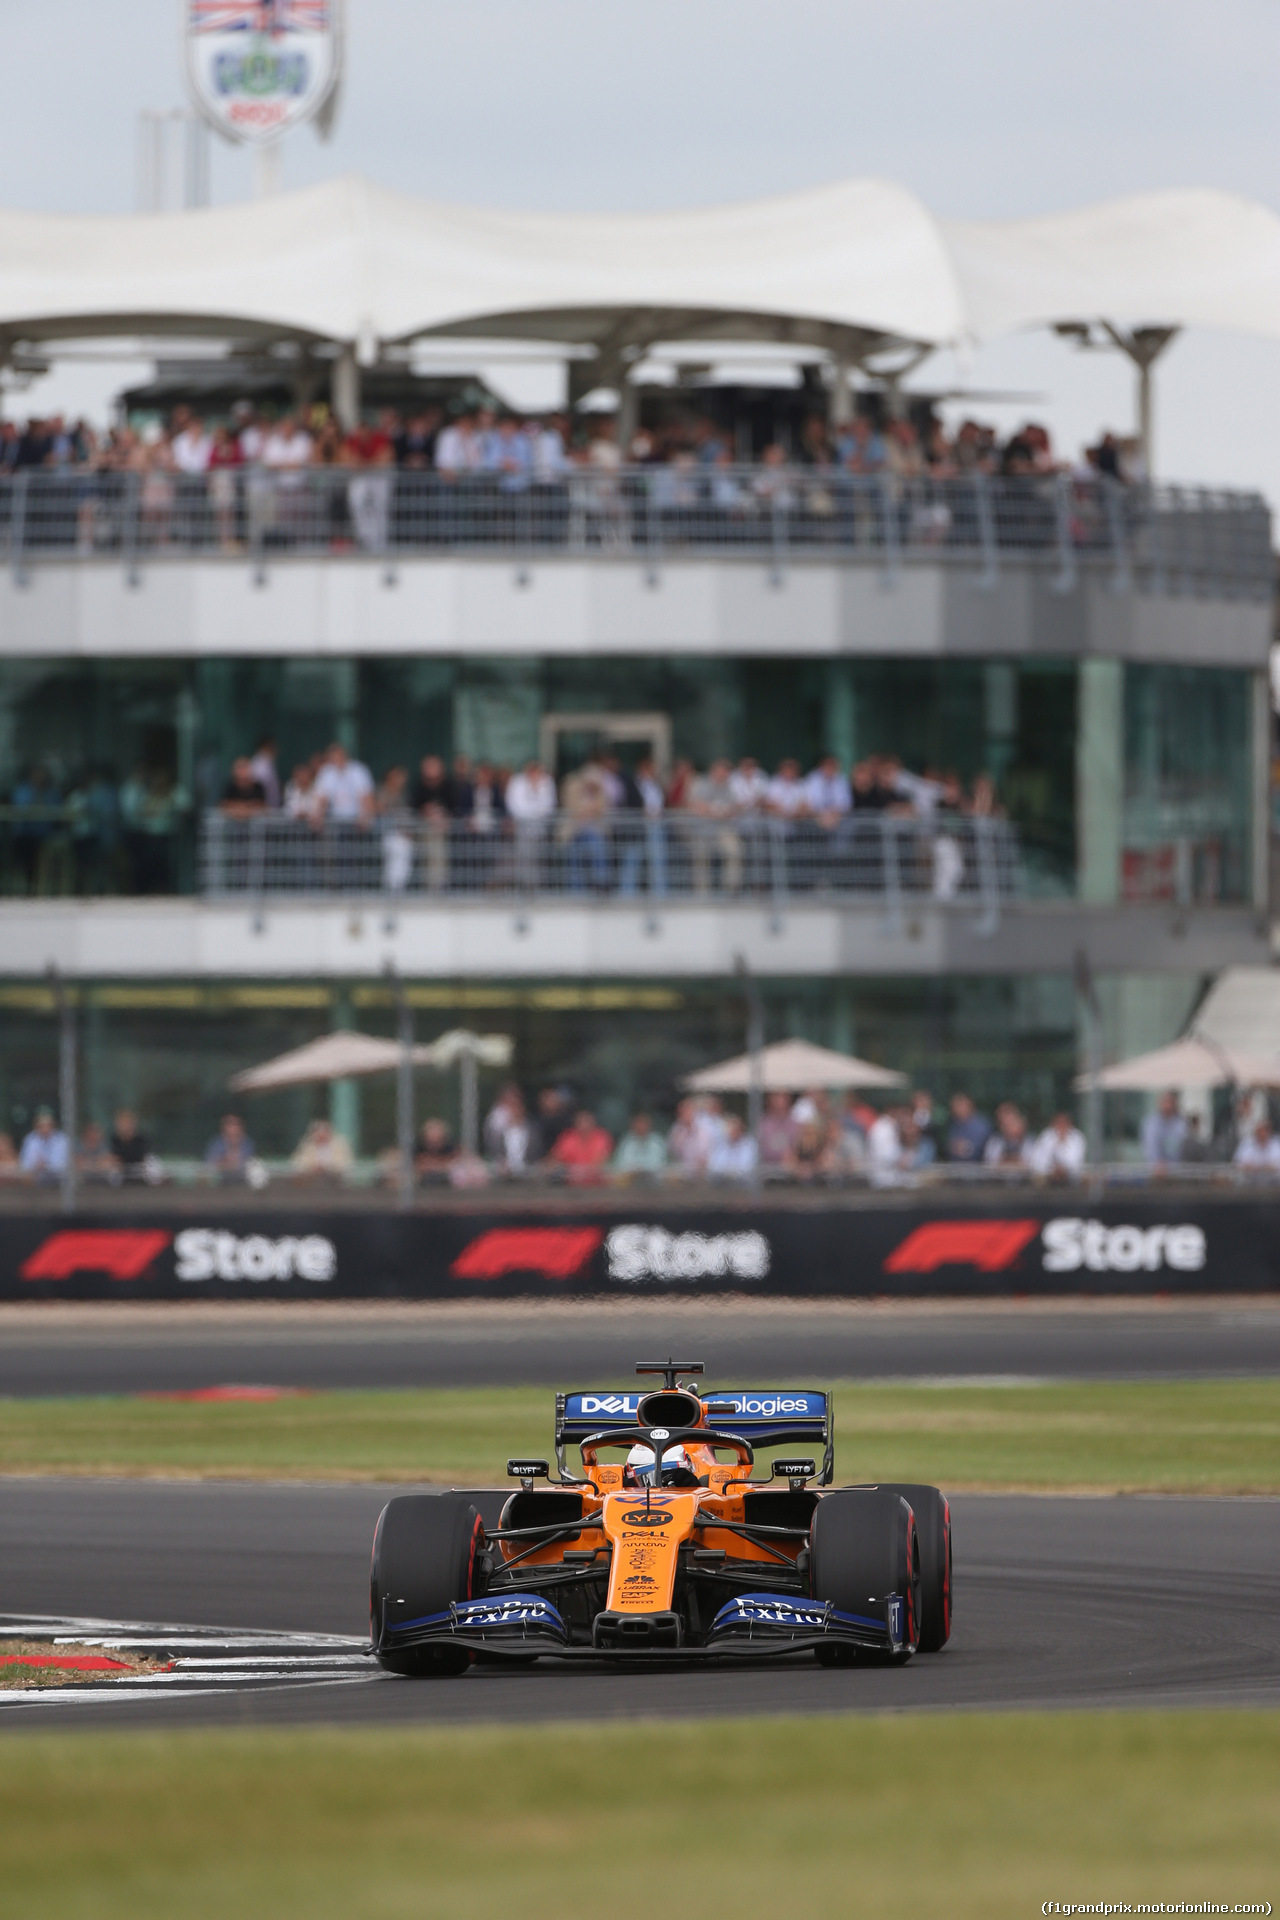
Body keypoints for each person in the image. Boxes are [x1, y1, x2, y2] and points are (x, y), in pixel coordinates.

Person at [549, 1110, 613, 1184]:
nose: (584, 1125)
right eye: (581, 1122)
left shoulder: (602, 1137)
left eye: (587, 1121)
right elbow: (554, 1159)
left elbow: (600, 1161)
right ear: (575, 1123)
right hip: (570, 1185)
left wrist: (581, 1172)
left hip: (597, 1186)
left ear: (593, 1123)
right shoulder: (568, 1138)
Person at [289, 1119, 353, 1185]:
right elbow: (298, 1164)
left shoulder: (339, 1145)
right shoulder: (307, 1146)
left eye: (324, 1132)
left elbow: (344, 1164)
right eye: (318, 1132)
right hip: (312, 1183)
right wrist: (313, 1167)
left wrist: (328, 1167)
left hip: (335, 1183)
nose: (321, 1135)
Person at [1030, 1112, 1087, 1182]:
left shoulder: (1077, 1137)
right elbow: (1039, 1160)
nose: (1061, 1125)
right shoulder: (1046, 1136)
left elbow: (1076, 1161)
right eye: (1059, 1122)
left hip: (1071, 1177)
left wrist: (1064, 1168)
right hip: (1049, 1176)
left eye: (1064, 1123)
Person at [19, 1108, 69, 1184]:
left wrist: (47, 1165)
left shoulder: (61, 1139)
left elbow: (63, 1163)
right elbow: (25, 1163)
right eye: (41, 1125)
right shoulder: (30, 1139)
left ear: (53, 1125)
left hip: (58, 1178)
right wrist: (36, 1165)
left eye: (47, 1125)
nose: (45, 1128)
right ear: (37, 1126)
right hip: (35, 1177)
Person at [612, 1112, 668, 1179]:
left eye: (643, 1124)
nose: (641, 1126)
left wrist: (642, 1169)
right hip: (630, 1179)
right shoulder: (627, 1141)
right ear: (632, 1126)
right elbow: (621, 1164)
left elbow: (659, 1164)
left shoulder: (657, 1141)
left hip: (654, 1180)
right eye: (638, 1124)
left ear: (649, 1125)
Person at [110, 1108, 159, 1184]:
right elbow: (112, 1159)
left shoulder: (142, 1140)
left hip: (140, 1172)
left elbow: (146, 1159)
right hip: (119, 1176)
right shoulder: (113, 1141)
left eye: (127, 1122)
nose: (125, 1126)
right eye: (122, 1123)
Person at [205, 1113, 256, 1184]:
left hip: (242, 1183)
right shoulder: (216, 1142)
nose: (232, 1127)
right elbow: (210, 1164)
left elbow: (245, 1164)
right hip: (220, 1182)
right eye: (229, 1124)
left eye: (235, 1124)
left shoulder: (247, 1142)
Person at [1142, 1091, 1187, 1169]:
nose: (1167, 1106)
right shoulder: (1151, 1123)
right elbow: (1150, 1146)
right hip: (1156, 1171)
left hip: (1177, 1171)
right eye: (1165, 1102)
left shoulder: (1181, 1123)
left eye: (1169, 1102)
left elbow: (1183, 1146)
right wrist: (1157, 1163)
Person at [708, 1112, 758, 1182]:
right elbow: (714, 1165)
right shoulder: (721, 1143)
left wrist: (729, 1172)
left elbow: (747, 1167)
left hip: (742, 1182)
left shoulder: (749, 1143)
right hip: (723, 1181)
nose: (733, 1132)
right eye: (730, 1128)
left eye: (735, 1129)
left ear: (741, 1129)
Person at [946, 1092, 992, 1163]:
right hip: (956, 1167)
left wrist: (964, 1148)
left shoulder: (981, 1124)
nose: (956, 1109)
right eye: (954, 1106)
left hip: (977, 1167)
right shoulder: (954, 1125)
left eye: (959, 1105)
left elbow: (980, 1148)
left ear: (969, 1106)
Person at [984, 1102, 1030, 1168]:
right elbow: (990, 1164)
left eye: (1012, 1123)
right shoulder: (995, 1142)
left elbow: (1031, 1165)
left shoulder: (1029, 1142)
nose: (1009, 1127)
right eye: (1006, 1124)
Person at [77, 1121, 119, 1185]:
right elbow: (78, 1162)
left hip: (100, 1173)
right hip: (85, 1174)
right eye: (91, 1133)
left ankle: (113, 1190)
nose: (93, 1135)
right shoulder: (80, 1145)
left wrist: (93, 1164)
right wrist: (95, 1164)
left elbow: (109, 1160)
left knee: (113, 1169)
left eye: (95, 1133)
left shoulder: (103, 1145)